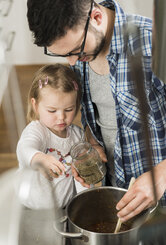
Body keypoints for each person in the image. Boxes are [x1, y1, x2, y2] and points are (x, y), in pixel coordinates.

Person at [26, 0, 166, 221]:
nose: (71, 62)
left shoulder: (154, 44)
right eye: (62, 54)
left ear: (97, 18)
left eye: (76, 52)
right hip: (119, 192)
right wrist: (92, 141)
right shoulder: (84, 51)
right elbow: (103, 112)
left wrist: (160, 176)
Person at [16, 63, 86, 209]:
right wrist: (39, 158)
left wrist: (84, 199)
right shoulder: (37, 130)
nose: (61, 117)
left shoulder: (78, 136)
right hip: (31, 208)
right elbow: (25, 148)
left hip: (64, 207)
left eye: (68, 109)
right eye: (52, 111)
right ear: (35, 106)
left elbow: (81, 176)